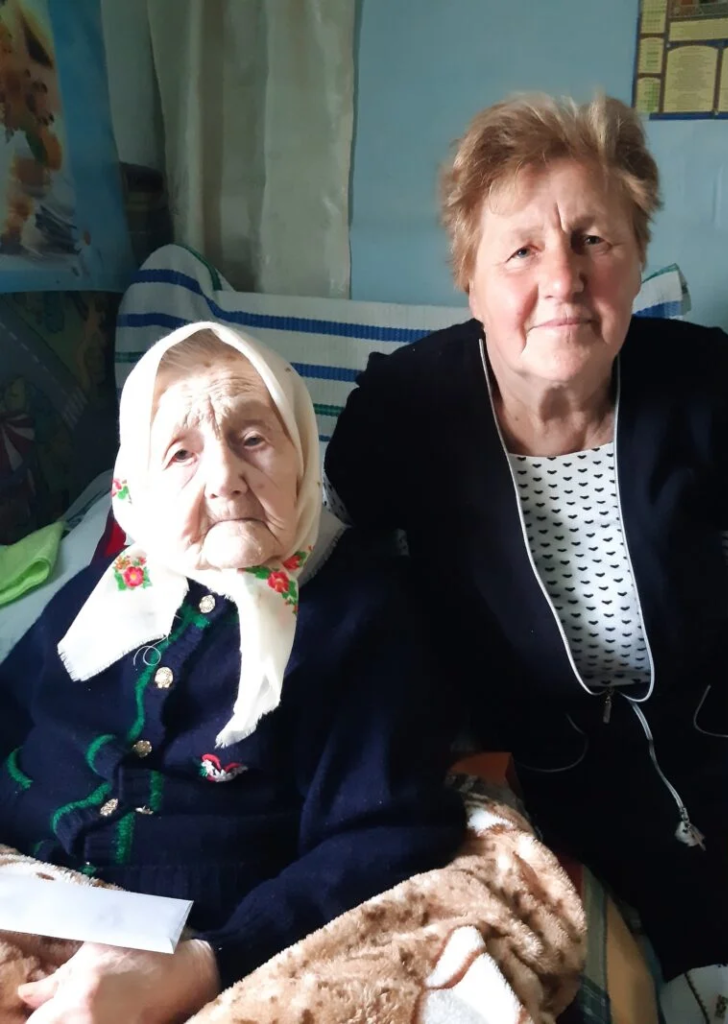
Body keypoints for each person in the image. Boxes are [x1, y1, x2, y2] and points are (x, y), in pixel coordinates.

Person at [325, 94, 728, 993]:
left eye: (593, 239)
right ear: (471, 280)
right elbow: (312, 569)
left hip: (719, 749)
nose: (563, 278)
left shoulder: (703, 382)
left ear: (636, 259)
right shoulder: (405, 410)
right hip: (519, 783)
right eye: (521, 250)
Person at [0, 321, 465, 1024]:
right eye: (181, 454)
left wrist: (209, 960)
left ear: (301, 454)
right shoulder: (105, 591)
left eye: (252, 439)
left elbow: (379, 833)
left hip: (183, 944)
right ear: (139, 483)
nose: (223, 478)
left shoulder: (362, 617)